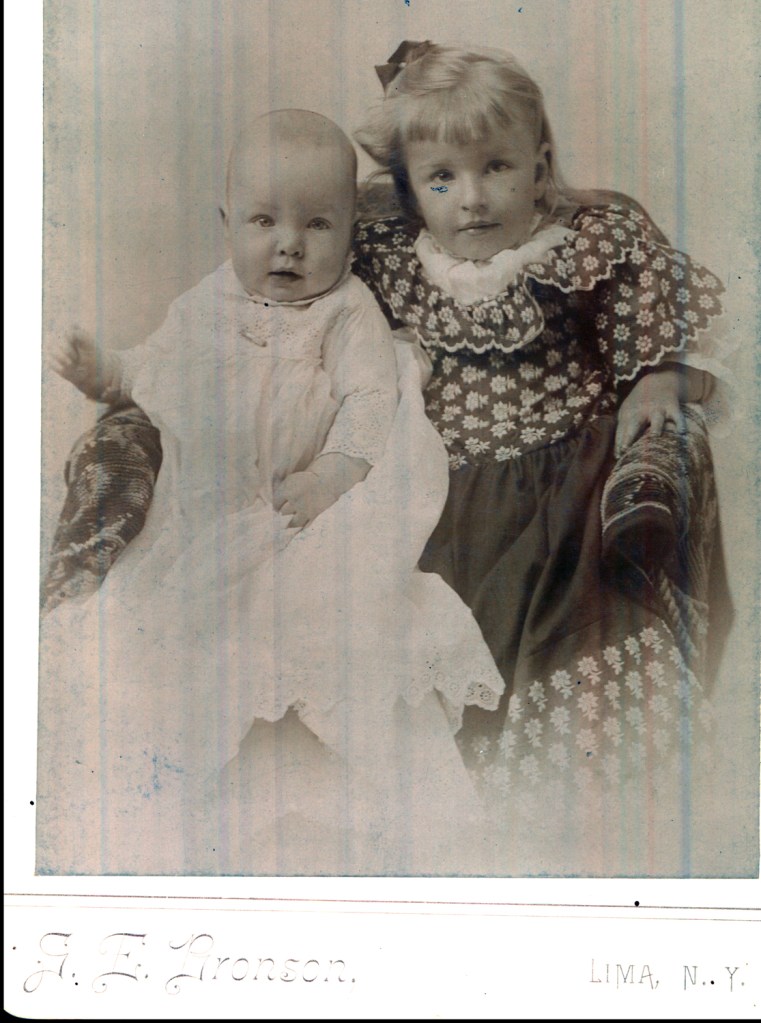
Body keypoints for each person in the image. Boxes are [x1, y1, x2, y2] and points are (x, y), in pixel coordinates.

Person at [38, 109, 504, 876]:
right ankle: (170, 803)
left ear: (350, 234)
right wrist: (102, 371)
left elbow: (368, 403)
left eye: (317, 224)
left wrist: (330, 476)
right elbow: (150, 369)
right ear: (227, 225)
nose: (288, 243)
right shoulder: (206, 301)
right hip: (208, 513)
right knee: (161, 629)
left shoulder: (346, 311)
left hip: (301, 514)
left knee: (314, 621)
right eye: (263, 221)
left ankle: (338, 792)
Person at [350, 41, 734, 872]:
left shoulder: (584, 246)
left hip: (570, 484)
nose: (472, 197)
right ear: (410, 190)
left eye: (495, 166)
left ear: (539, 165)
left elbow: (669, 320)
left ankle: (600, 830)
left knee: (584, 633)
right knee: (442, 653)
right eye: (442, 177)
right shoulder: (393, 259)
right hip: (450, 499)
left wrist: (657, 377)